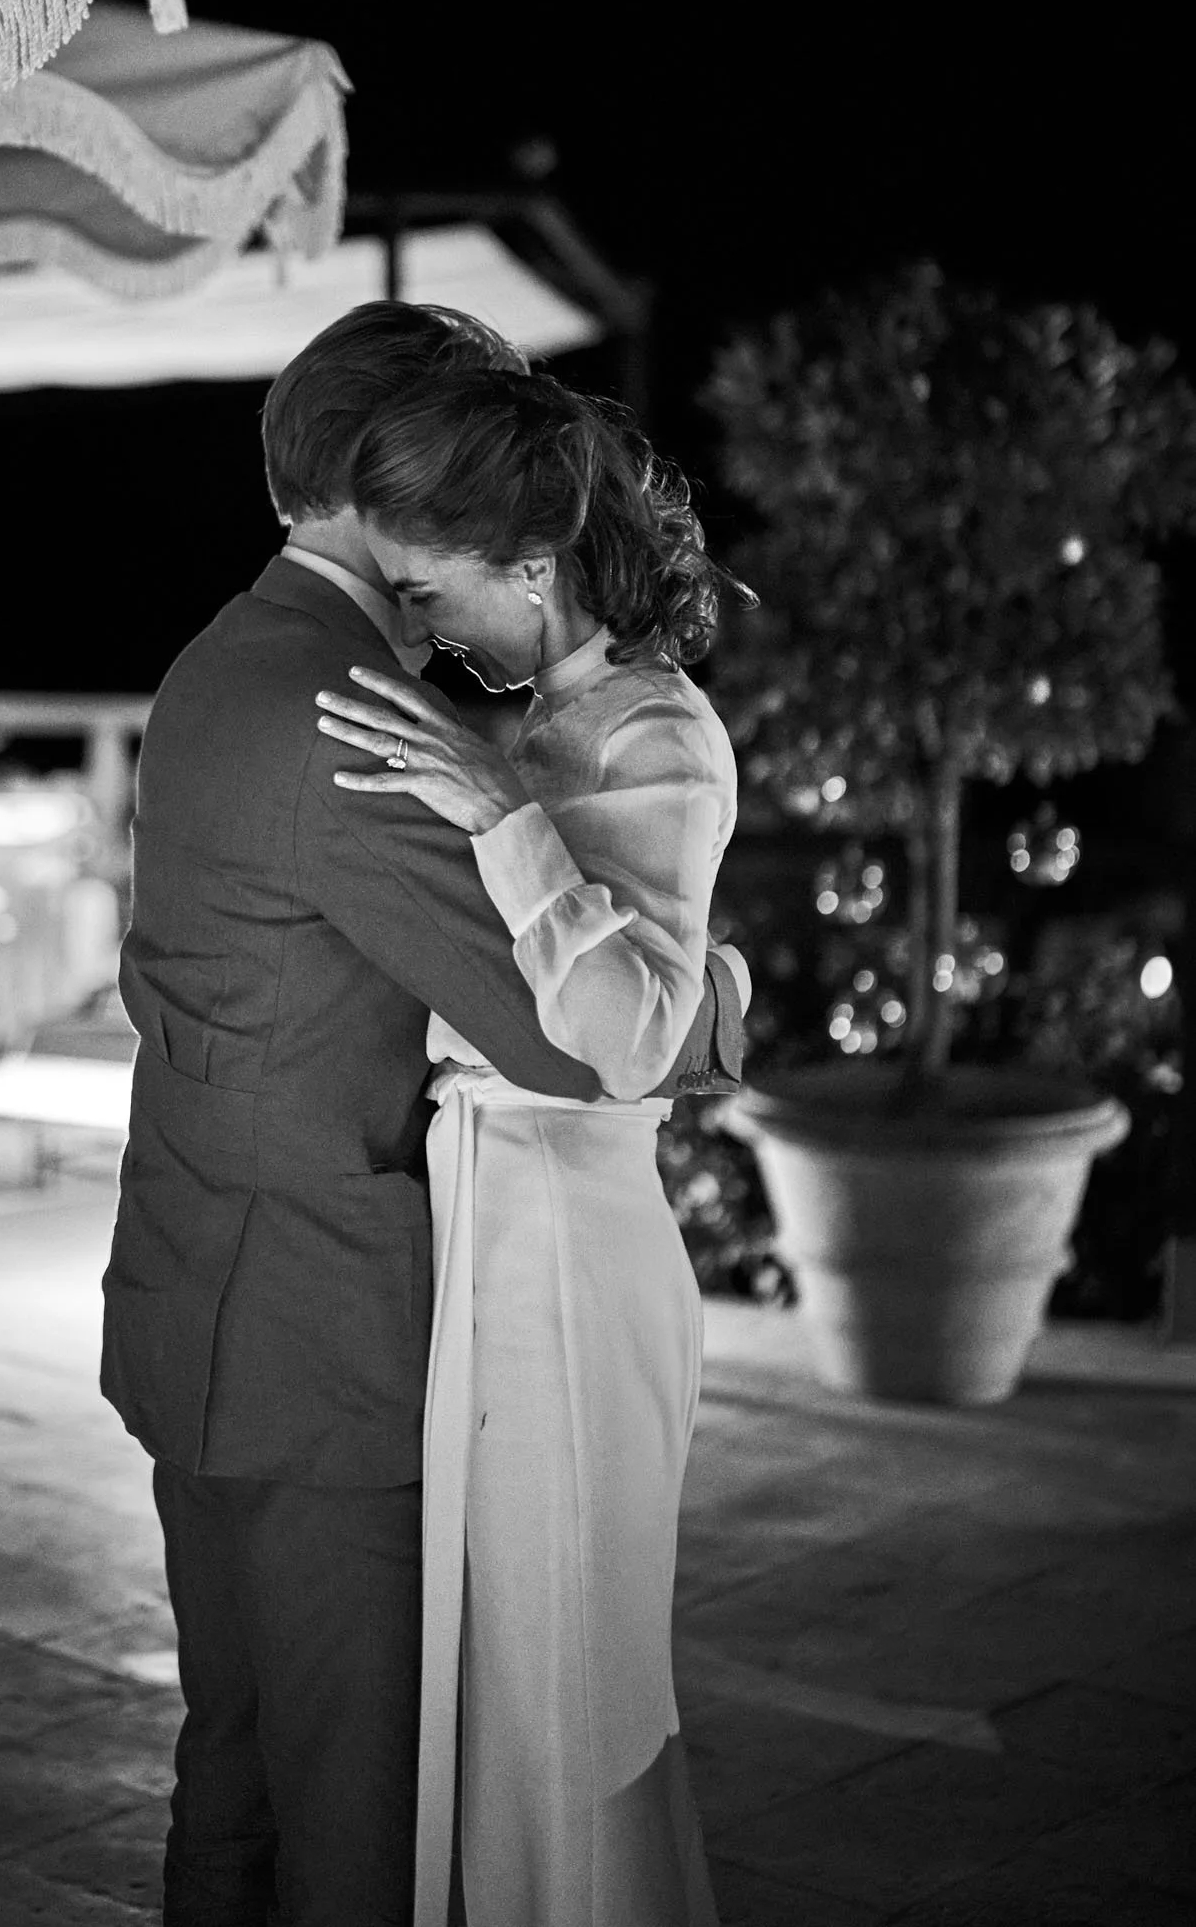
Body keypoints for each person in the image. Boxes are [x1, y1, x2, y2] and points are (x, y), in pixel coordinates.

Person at [102, 301, 742, 1927]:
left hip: (198, 1287)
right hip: (313, 1335)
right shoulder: (356, 714)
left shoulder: (218, 655)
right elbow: (572, 1040)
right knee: (350, 1816)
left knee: (236, 1762)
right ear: (397, 486)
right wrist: (724, 1001)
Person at [314, 362, 751, 1927]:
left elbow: (635, 1035)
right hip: (494, 1207)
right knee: (503, 1655)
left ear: (530, 562)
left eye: (429, 589)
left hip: (568, 1235)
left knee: (563, 1663)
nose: (421, 628)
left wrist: (500, 813)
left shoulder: (652, 735)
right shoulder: (538, 715)